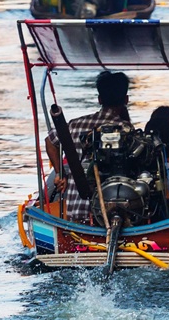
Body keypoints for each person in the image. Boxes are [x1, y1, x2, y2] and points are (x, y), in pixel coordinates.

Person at [49, 70, 133, 221]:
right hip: (112, 215)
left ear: (100, 99)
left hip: (76, 213)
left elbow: (50, 141)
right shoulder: (128, 131)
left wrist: (59, 173)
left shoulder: (75, 125)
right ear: (126, 100)